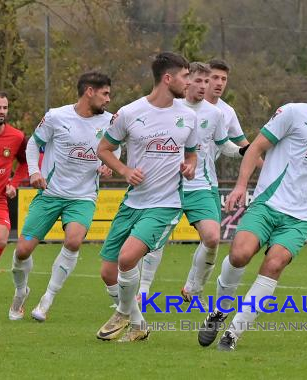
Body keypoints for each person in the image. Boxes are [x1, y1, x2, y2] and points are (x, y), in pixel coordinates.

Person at [198, 65, 307, 351]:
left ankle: (233, 334)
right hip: (268, 204)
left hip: (299, 220)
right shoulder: (293, 113)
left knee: (273, 265)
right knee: (239, 255)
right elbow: (256, 147)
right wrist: (240, 186)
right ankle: (219, 311)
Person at [96, 52, 198, 342]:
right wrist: (124, 170)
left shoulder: (187, 116)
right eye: (185, 76)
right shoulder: (129, 113)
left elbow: (192, 154)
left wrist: (190, 166)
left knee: (127, 259)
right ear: (168, 79)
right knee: (107, 272)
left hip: (166, 204)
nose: (188, 82)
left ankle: (123, 314)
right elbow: (103, 149)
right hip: (133, 202)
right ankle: (139, 324)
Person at [137, 62, 247, 303]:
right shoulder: (169, 108)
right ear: (187, 81)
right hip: (168, 185)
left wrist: (243, 152)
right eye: (199, 80)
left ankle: (193, 287)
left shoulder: (216, 113)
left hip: (202, 186)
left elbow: (223, 144)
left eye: (207, 81)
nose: (204, 86)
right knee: (155, 239)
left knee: (212, 237)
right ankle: (143, 291)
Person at [8, 72, 113, 321]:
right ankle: (21, 292)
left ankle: (46, 301)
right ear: (89, 91)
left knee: (74, 241)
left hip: (83, 196)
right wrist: (34, 171)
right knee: (23, 250)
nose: (109, 99)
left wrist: (109, 164)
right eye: (105, 93)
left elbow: (114, 148)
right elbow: (34, 144)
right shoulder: (56, 116)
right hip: (50, 194)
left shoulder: (110, 121)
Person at [0, 91, 28, 262]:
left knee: (1, 239)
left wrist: (13, 184)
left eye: (4, 107)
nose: (1, 111)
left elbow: (24, 163)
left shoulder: (17, 136)